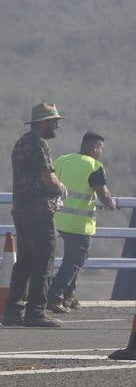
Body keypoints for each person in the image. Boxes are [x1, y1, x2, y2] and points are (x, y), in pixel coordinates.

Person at [3, 103, 67, 328]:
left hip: (21, 209)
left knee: (25, 260)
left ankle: (13, 310)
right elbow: (47, 180)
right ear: (44, 122)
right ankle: (36, 312)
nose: (57, 125)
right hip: (39, 210)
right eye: (54, 121)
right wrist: (61, 188)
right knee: (43, 259)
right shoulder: (39, 145)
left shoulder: (21, 143)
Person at [46, 131, 118, 313]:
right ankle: (54, 297)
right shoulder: (94, 165)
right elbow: (103, 195)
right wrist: (111, 203)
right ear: (94, 147)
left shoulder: (63, 160)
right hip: (79, 223)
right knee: (74, 261)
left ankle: (69, 296)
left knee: (74, 259)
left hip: (59, 218)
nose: (101, 152)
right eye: (101, 148)